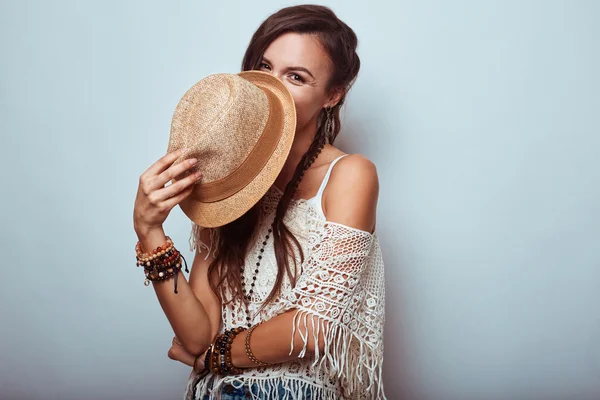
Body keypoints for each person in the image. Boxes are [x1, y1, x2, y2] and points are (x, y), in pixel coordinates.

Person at [133, 5, 386, 399]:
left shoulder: (350, 174)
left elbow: (314, 329)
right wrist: (149, 231)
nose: (275, 88)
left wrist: (215, 356)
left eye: (297, 77)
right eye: (265, 68)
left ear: (332, 94)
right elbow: (198, 332)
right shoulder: (228, 178)